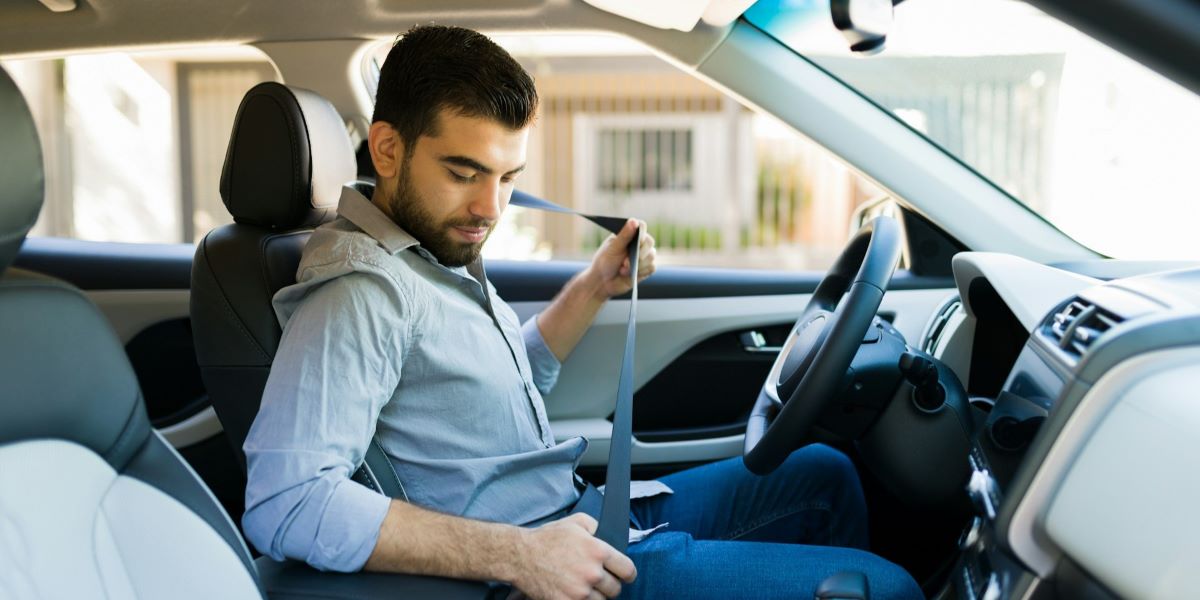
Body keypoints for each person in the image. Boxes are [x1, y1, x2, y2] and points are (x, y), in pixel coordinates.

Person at [242, 24, 923, 600]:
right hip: (540, 565)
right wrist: (520, 557)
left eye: (507, 177)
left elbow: (507, 387)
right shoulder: (361, 293)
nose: (490, 208)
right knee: (887, 588)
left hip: (580, 517)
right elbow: (287, 503)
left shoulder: (428, 252)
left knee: (825, 475)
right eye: (462, 171)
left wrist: (598, 283)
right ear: (387, 150)